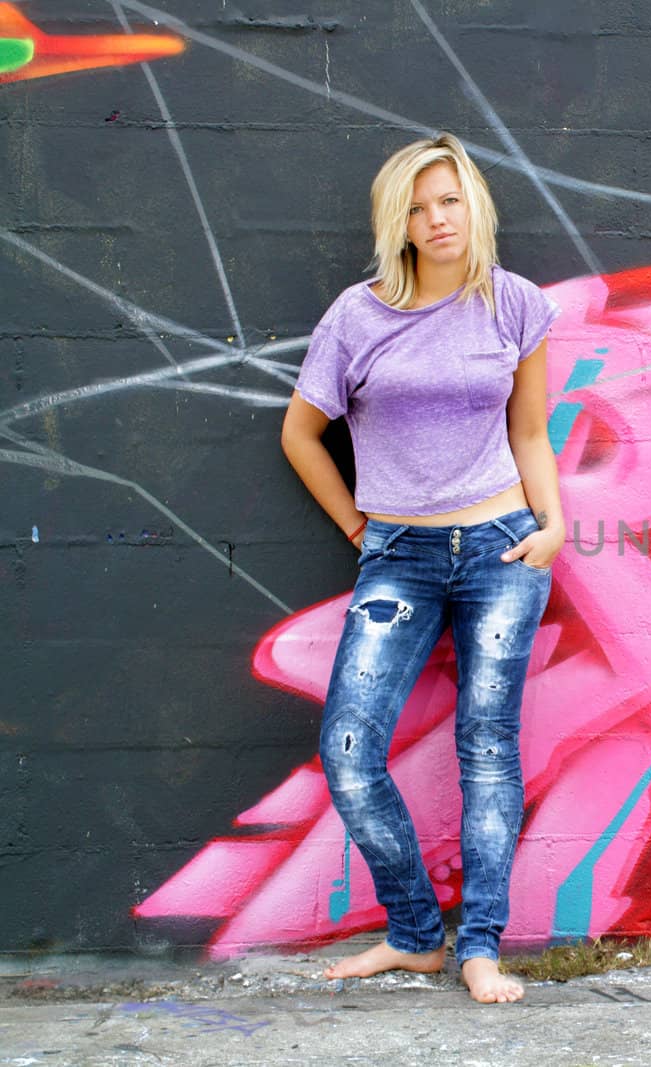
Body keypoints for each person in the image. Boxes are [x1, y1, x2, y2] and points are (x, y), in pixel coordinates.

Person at [279, 132, 564, 1004]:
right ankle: (414, 934)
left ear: (473, 202)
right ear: (394, 223)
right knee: (351, 749)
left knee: (486, 750)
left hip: (502, 550)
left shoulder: (514, 304)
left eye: (448, 199)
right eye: (415, 205)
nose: (436, 219)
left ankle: (479, 943)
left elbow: (529, 432)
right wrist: (363, 531)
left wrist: (553, 523)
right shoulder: (356, 316)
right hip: (397, 555)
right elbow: (300, 434)